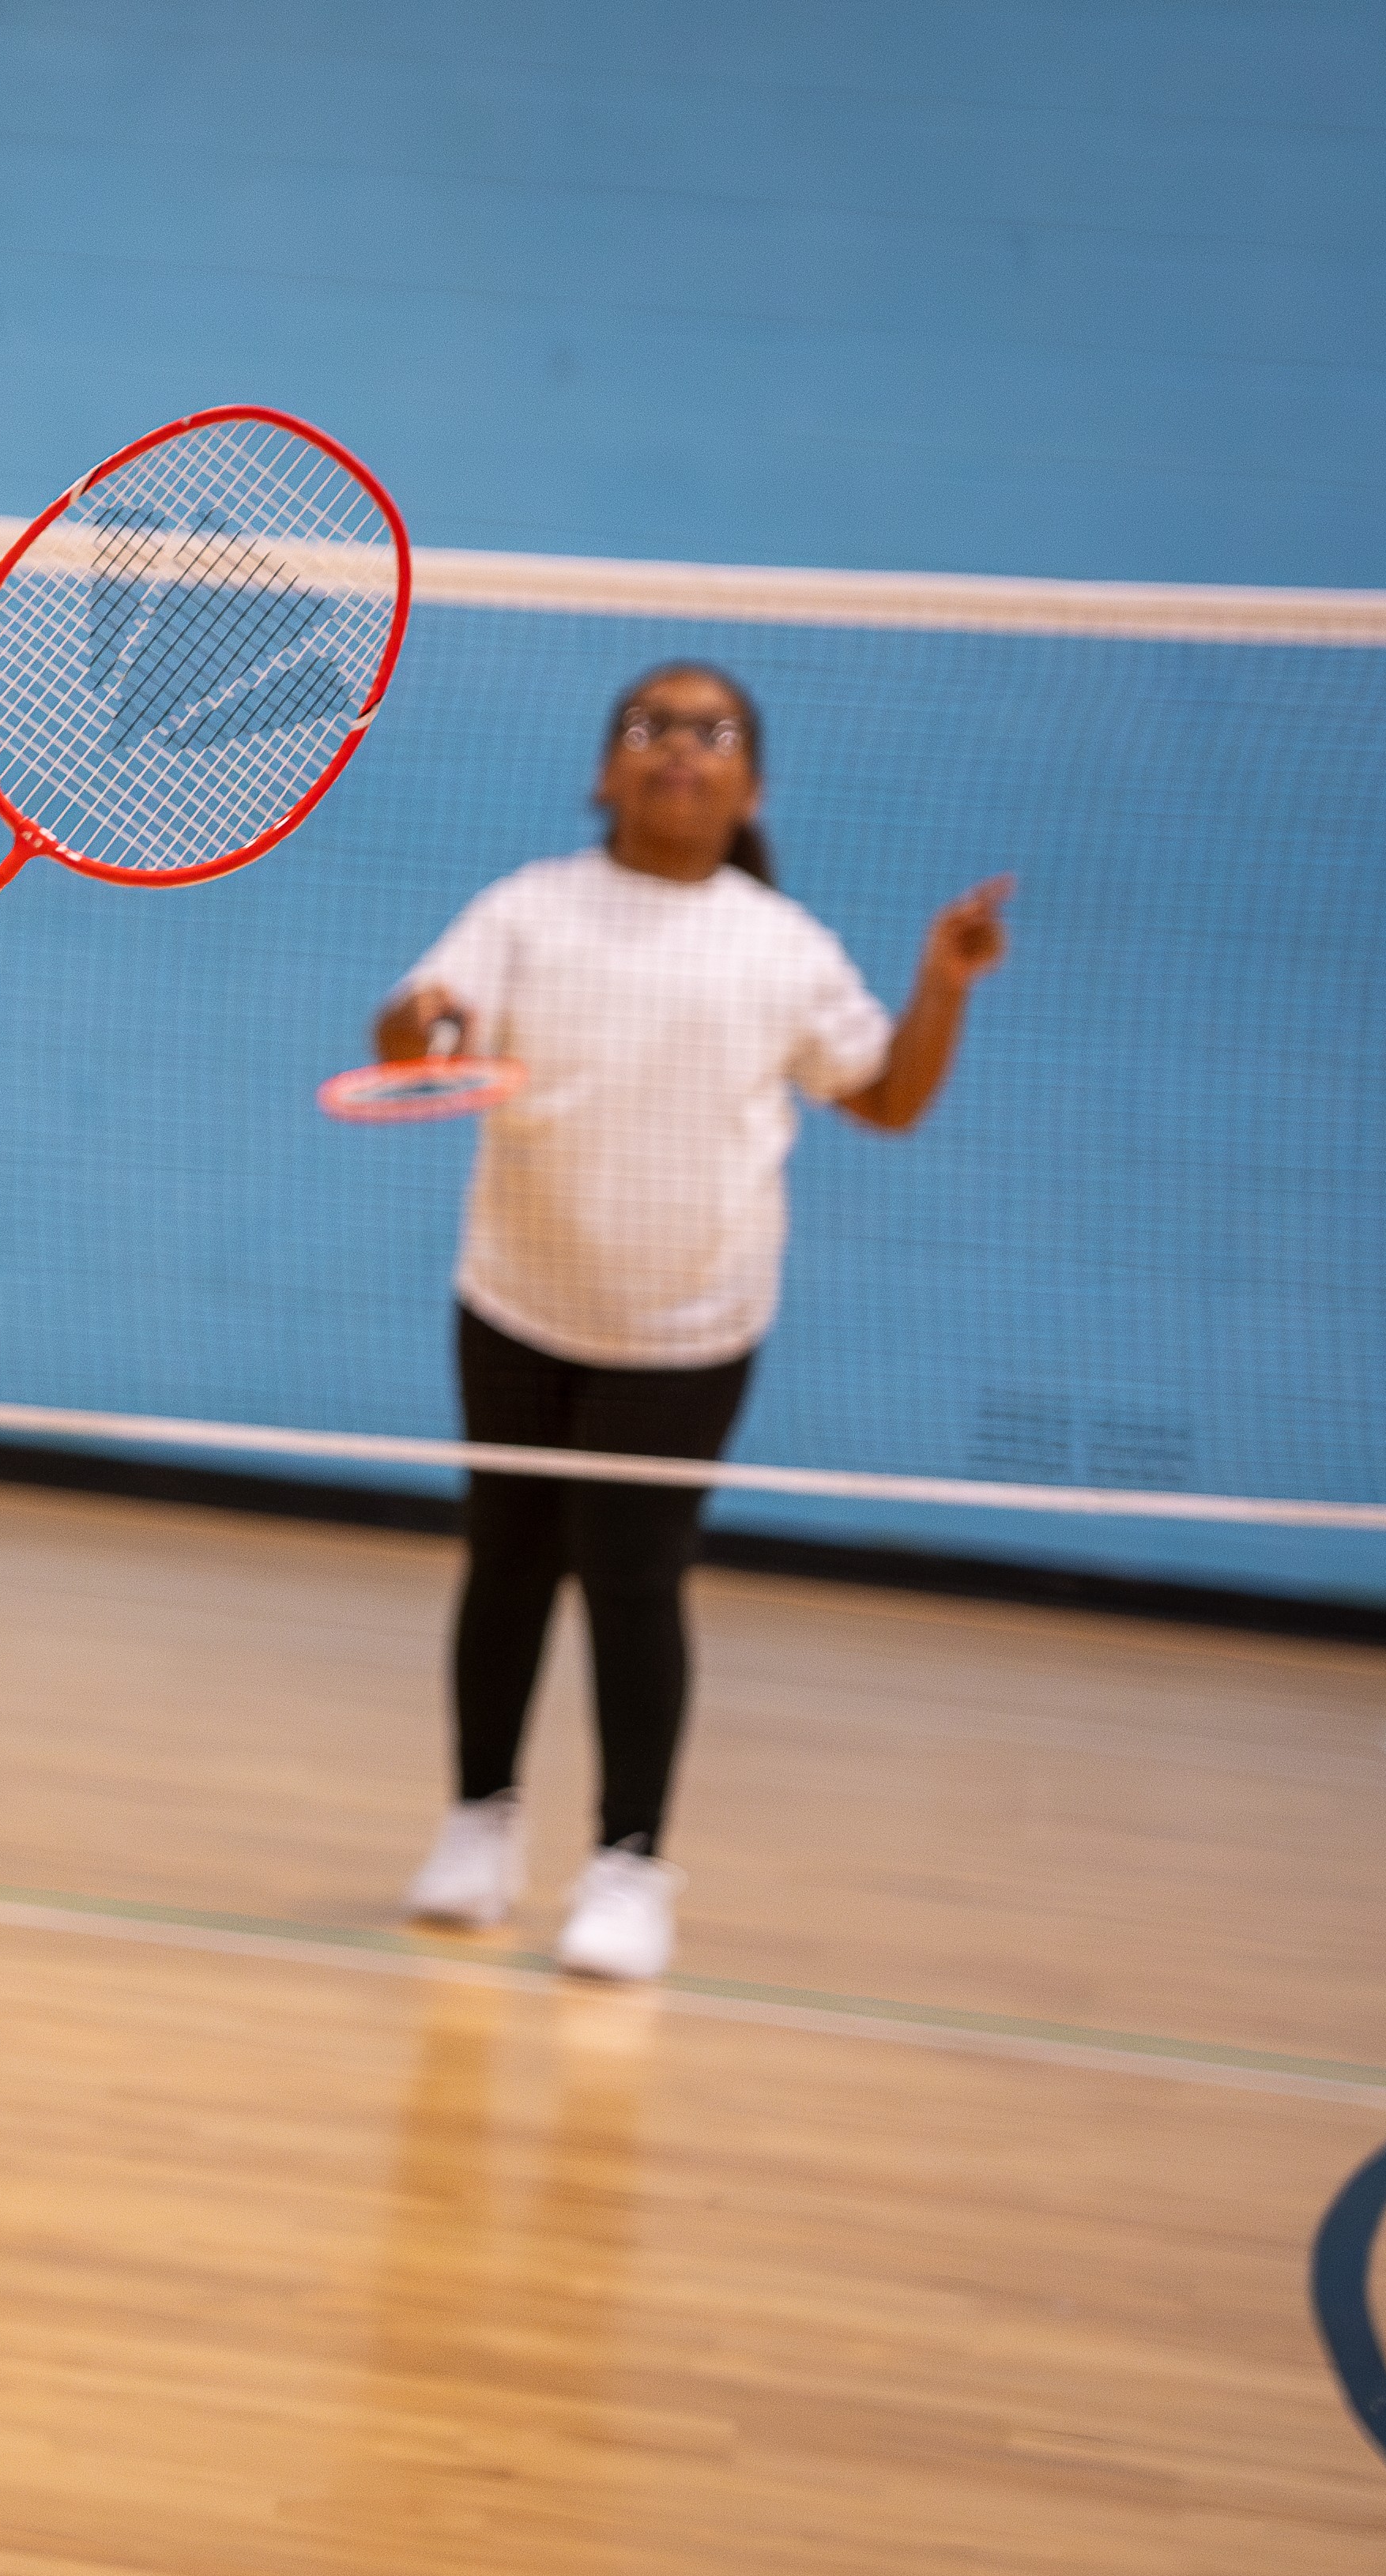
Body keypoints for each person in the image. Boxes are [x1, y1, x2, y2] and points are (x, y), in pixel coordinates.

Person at [382, 661, 1007, 1984]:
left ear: (750, 784)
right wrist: (415, 1022)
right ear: (604, 771)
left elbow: (885, 1099)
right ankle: (477, 1825)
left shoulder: (780, 944)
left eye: (709, 731)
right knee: (504, 1562)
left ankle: (626, 1866)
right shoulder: (527, 908)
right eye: (647, 725)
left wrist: (941, 984)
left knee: (632, 1578)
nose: (677, 746)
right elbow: (408, 1039)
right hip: (517, 1296)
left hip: (687, 1326)